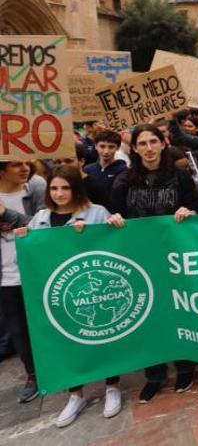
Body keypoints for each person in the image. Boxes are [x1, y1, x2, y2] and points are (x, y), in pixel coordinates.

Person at [16, 166, 119, 427]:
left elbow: (116, 247)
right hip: (62, 294)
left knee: (105, 335)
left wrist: (108, 228)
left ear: (76, 189)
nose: (60, 194)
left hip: (95, 293)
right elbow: (29, 259)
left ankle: (112, 386)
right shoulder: (39, 218)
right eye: (54, 188)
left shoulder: (96, 213)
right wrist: (25, 239)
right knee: (67, 340)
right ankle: (75, 394)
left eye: (65, 188)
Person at [108, 124, 198, 403]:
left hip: (175, 259)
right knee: (148, 315)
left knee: (179, 311)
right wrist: (114, 219)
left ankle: (185, 367)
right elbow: (115, 215)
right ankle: (155, 374)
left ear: (163, 143)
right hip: (140, 260)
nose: (148, 148)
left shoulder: (181, 176)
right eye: (142, 143)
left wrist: (190, 211)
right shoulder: (124, 181)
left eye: (153, 141)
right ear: (134, 148)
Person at [0, 161, 45, 403]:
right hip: (6, 277)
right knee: (18, 330)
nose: (24, 168)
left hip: (37, 272)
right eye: (16, 164)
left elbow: (43, 225)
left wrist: (6, 215)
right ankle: (32, 375)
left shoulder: (36, 187)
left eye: (26, 162)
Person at [84, 130, 128, 200]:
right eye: (102, 146)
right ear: (95, 146)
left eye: (111, 147)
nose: (106, 151)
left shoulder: (124, 170)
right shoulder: (87, 169)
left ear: (118, 147)